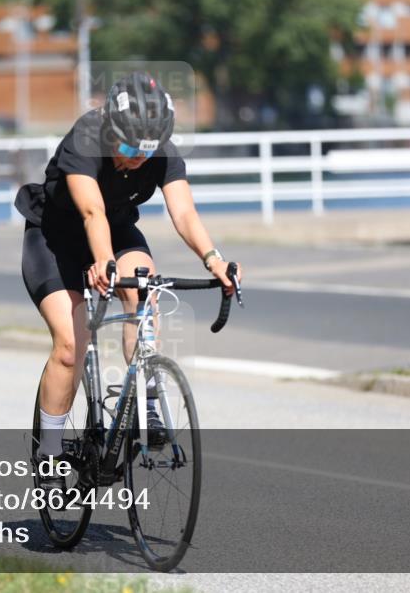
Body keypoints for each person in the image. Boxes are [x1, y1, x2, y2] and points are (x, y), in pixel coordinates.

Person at [14, 72, 242, 483]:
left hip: (116, 230)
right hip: (57, 238)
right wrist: (102, 261)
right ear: (110, 130)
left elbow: (184, 212)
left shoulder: (159, 151)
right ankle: (48, 453)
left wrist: (214, 260)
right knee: (71, 344)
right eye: (127, 148)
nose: (137, 159)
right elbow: (91, 213)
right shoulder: (86, 137)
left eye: (146, 152)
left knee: (146, 286)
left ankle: (147, 399)